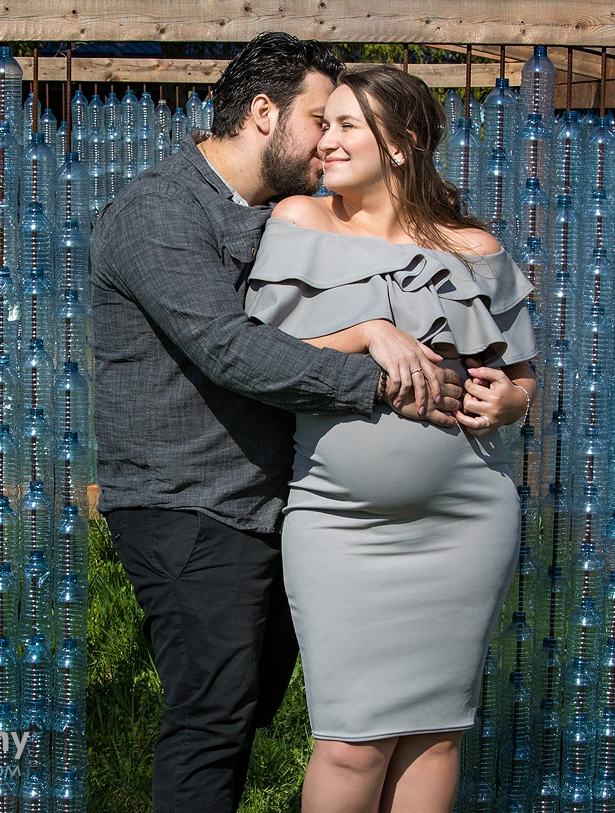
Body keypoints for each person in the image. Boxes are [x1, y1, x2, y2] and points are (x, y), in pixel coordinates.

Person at [90, 34, 466, 812]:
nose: (328, 139)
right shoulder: (157, 212)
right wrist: (388, 379)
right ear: (264, 113)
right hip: (188, 507)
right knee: (212, 718)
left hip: (266, 510)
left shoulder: (275, 219)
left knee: (248, 710)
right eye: (317, 118)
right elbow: (232, 351)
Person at [243, 64, 539, 812]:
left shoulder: (473, 246)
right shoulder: (300, 221)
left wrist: (511, 401)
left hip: (465, 517)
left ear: (403, 143)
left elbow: (524, 376)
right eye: (326, 123)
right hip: (340, 521)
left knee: (436, 734)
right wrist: (371, 331)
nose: (327, 140)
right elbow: (259, 350)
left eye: (348, 126)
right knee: (350, 742)